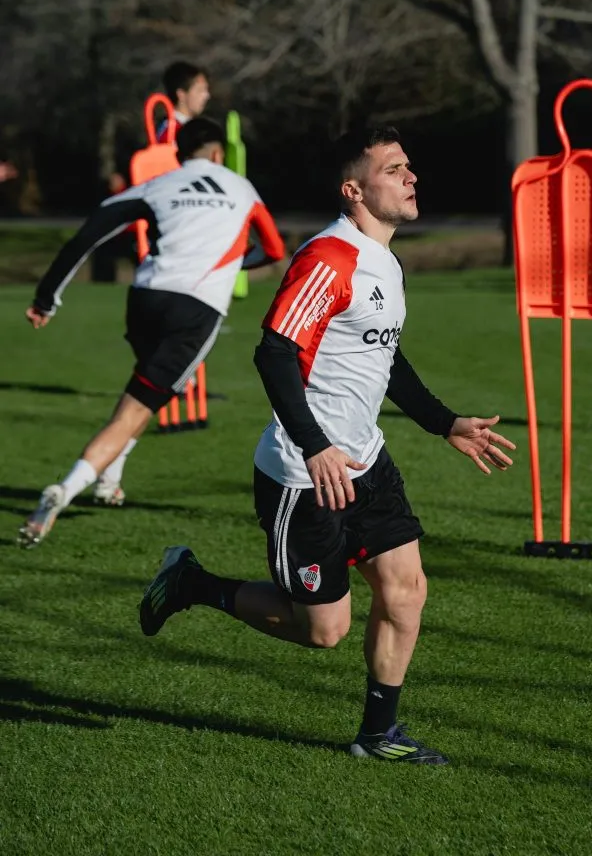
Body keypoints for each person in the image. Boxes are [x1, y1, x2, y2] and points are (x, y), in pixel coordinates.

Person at [138, 125, 516, 765]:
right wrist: (314, 446)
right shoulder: (328, 258)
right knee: (324, 631)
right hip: (304, 475)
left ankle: (378, 736)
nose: (410, 176)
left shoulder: (386, 262)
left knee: (406, 589)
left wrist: (444, 422)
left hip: (365, 461)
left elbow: (386, 358)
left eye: (408, 166)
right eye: (393, 169)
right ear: (354, 190)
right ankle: (193, 583)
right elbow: (275, 350)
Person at [19, 117, 285, 548]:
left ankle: (111, 479)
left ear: (180, 155)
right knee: (138, 408)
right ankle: (65, 490)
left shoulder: (160, 184)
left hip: (145, 298)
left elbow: (89, 234)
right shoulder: (242, 189)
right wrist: (235, 264)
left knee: (146, 390)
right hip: (196, 308)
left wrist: (47, 298)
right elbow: (274, 250)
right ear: (219, 154)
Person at [156, 62, 211, 142]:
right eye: (200, 90)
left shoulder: (193, 128)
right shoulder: (171, 133)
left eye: (206, 90)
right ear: (181, 94)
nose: (206, 96)